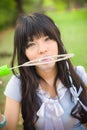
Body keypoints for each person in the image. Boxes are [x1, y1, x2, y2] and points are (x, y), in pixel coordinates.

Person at [0, 12, 87, 130]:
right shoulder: (18, 84)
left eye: (47, 39)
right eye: (31, 44)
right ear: (24, 53)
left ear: (58, 42)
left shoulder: (78, 74)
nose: (42, 49)